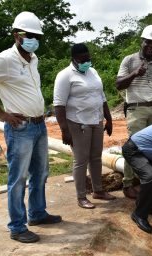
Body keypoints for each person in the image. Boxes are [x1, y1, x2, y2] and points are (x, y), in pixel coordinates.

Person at [0, 12, 61, 243]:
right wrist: (0, 114)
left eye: (36, 35)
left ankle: (37, 214)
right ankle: (17, 227)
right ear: (16, 35)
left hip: (39, 125)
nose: (33, 39)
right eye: (28, 35)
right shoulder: (4, 60)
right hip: (20, 128)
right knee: (18, 178)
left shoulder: (34, 58)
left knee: (40, 173)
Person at [53, 43, 116, 209]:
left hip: (96, 120)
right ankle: (81, 197)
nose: (87, 62)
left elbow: (101, 97)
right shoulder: (65, 76)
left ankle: (98, 191)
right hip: (78, 123)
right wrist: (64, 130)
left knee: (96, 157)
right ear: (74, 59)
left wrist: (108, 119)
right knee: (81, 160)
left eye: (88, 58)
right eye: (83, 59)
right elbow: (59, 105)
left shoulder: (92, 72)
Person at [116, 25, 152, 199]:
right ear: (142, 42)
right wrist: (135, 73)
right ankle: (128, 184)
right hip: (136, 108)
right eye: (148, 43)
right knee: (134, 146)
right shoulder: (129, 61)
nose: (151, 47)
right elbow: (118, 84)